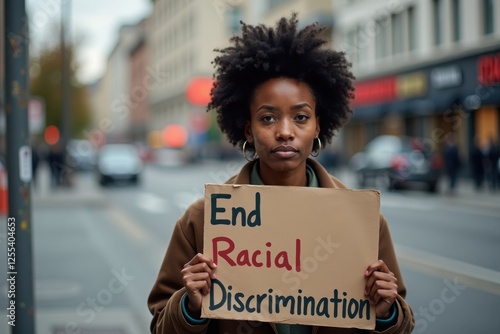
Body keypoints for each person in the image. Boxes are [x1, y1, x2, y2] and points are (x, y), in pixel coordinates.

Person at [148, 14, 414, 334]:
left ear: (318, 124)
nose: (285, 132)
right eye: (268, 118)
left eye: (300, 117)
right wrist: (189, 307)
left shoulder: (362, 219)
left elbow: (400, 321)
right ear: (248, 129)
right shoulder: (202, 219)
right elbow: (161, 323)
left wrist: (386, 313)